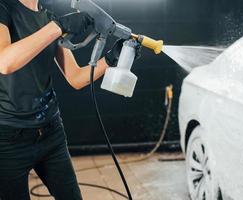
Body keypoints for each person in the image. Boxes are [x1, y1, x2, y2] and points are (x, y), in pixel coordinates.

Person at [0, 0, 140, 199]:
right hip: (8, 139)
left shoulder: (48, 17)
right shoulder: (4, 8)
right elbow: (4, 62)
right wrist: (58, 27)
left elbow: (75, 78)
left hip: (50, 132)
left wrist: (111, 59)